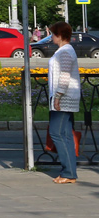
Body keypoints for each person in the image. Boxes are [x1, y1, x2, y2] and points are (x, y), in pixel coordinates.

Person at [47, 20, 81, 184]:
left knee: (56, 133)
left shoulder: (65, 52)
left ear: (59, 35)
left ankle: (68, 172)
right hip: (65, 97)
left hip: (64, 98)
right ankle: (69, 172)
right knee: (65, 135)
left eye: (53, 34)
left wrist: (58, 96)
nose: (52, 37)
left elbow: (65, 77)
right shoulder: (65, 51)